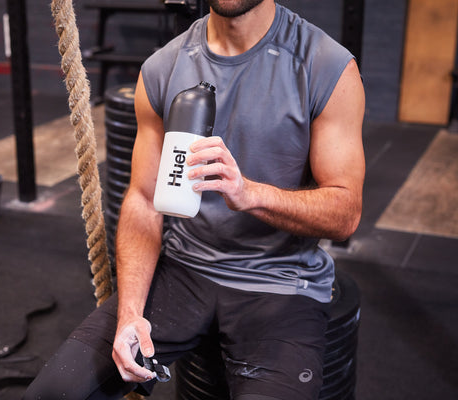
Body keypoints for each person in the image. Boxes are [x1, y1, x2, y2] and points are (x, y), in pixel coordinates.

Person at [24, 0, 364, 399]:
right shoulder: (163, 67)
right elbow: (144, 198)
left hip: (281, 281)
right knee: (52, 394)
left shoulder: (327, 66)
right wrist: (131, 312)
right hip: (183, 269)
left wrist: (249, 194)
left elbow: (345, 213)